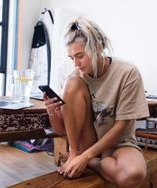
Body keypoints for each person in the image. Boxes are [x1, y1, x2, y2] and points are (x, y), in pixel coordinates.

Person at [44, 17, 149, 188]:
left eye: (80, 56)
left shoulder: (128, 72)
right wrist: (51, 111)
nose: (76, 64)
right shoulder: (75, 80)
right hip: (87, 143)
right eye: (71, 58)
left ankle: (93, 162)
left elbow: (121, 126)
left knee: (134, 175)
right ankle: (76, 154)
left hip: (119, 143)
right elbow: (61, 130)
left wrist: (86, 158)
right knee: (72, 81)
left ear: (98, 48)